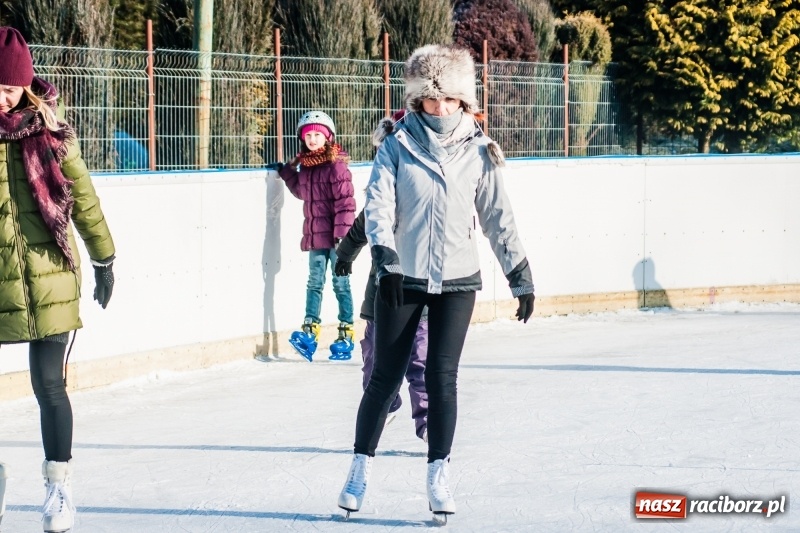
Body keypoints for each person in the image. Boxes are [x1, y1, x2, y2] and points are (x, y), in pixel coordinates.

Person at [336, 44, 535, 524]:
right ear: (417, 99)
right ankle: (359, 468)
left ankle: (437, 474)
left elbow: (497, 217)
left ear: (464, 100)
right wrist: (382, 254)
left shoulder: (480, 151)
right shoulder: (396, 145)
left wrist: (519, 274)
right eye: (431, 99)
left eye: (449, 100)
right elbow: (378, 203)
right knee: (383, 378)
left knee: (443, 379)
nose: (440, 109)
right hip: (402, 276)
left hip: (459, 280)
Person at [0, 27, 116, 533]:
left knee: (49, 386)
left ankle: (59, 490)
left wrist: (105, 260)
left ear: (25, 87)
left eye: (7, 87)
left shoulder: (53, 136)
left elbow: (85, 201)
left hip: (51, 278)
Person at [335, 207, 429, 441]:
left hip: (420, 299)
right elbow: (360, 228)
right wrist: (345, 255)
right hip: (381, 299)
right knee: (375, 361)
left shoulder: (427, 197)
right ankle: (382, 405)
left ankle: (429, 423)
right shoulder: (382, 197)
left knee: (420, 364)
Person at [278, 111, 356, 361]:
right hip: (315, 238)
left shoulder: (336, 166)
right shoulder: (307, 168)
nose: (312, 139)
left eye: (317, 135)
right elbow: (303, 193)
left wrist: (343, 237)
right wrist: (287, 172)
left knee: (340, 284)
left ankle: (346, 334)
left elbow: (346, 202)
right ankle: (310, 332)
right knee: (314, 283)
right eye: (308, 135)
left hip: (336, 239)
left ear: (328, 137)